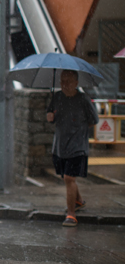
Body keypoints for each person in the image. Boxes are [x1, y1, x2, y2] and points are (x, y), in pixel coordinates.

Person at [46, 70, 99, 227]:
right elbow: (51, 114)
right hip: (60, 146)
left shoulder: (83, 99)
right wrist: (50, 116)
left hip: (77, 146)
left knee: (69, 178)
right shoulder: (57, 97)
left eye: (68, 81)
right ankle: (78, 201)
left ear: (76, 83)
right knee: (67, 178)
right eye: (62, 81)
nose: (65, 84)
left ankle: (71, 214)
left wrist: (79, 129)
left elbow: (93, 120)